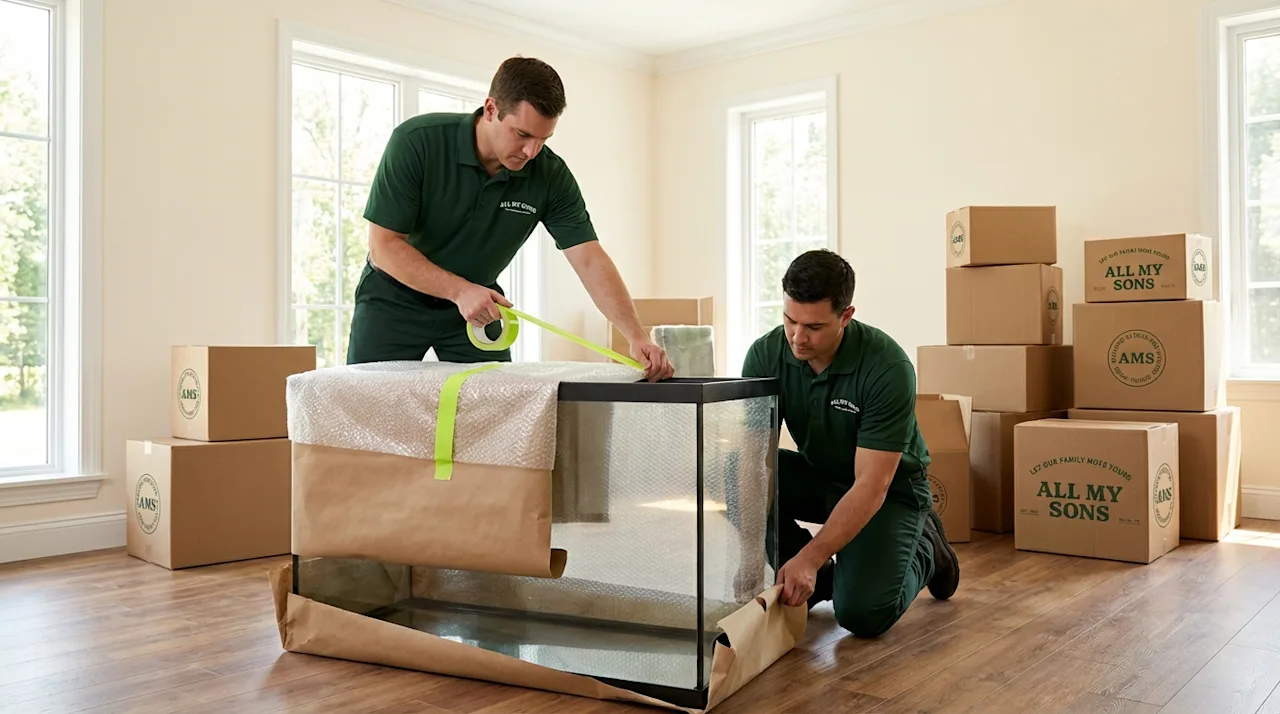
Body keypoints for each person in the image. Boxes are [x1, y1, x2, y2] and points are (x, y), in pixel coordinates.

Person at [345, 56, 674, 382]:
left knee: (495, 410)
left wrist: (636, 335)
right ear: (491, 109)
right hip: (393, 299)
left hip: (479, 308)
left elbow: (588, 258)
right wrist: (459, 291)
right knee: (366, 409)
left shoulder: (550, 176)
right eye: (522, 134)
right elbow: (384, 247)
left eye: (543, 140)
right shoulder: (417, 141)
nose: (531, 151)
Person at [741, 249, 960, 638]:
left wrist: (809, 555)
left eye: (813, 327)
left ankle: (926, 546)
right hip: (820, 478)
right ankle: (821, 578)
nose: (797, 336)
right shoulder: (765, 354)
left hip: (889, 492)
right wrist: (747, 556)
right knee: (730, 470)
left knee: (862, 614)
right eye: (790, 320)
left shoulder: (887, 367)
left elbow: (871, 485)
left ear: (846, 316)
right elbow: (753, 462)